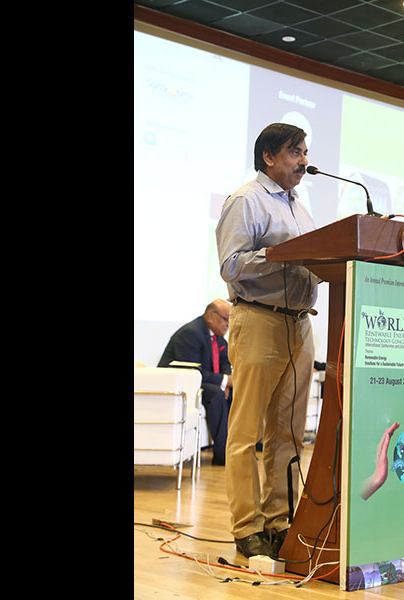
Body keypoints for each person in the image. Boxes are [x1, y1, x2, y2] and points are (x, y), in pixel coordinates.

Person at [215, 122, 319, 559]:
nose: (304, 161)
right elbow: (231, 264)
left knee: (289, 432)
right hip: (259, 320)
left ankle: (280, 521)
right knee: (247, 432)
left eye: (305, 151)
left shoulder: (300, 208)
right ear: (269, 157)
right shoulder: (247, 200)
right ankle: (247, 526)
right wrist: (282, 257)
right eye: (296, 152)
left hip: (300, 325)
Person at [157, 299, 233, 466]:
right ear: (210, 316)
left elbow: (225, 362)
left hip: (200, 383)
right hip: (179, 386)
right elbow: (192, 372)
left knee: (235, 392)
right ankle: (222, 455)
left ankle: (242, 448)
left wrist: (226, 380)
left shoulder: (219, 338)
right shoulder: (191, 334)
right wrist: (225, 381)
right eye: (225, 319)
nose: (228, 324)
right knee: (216, 394)